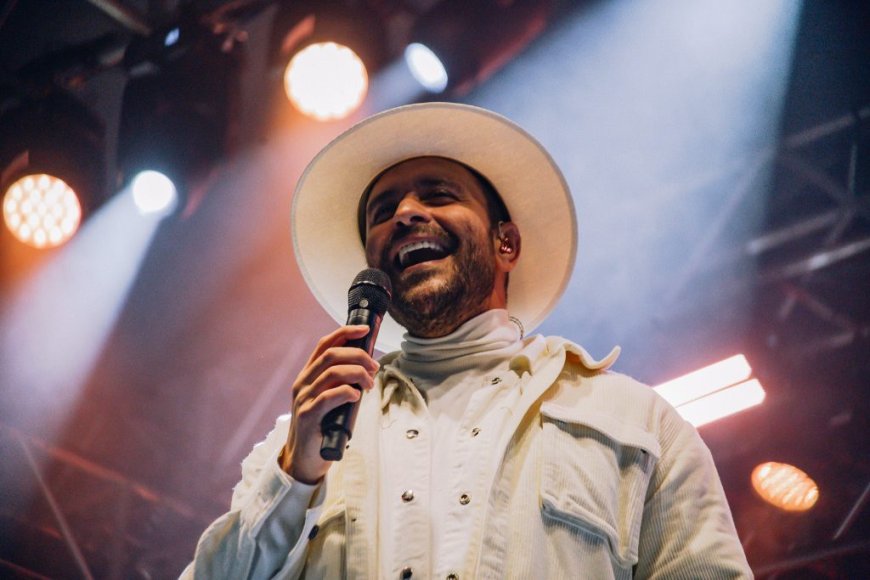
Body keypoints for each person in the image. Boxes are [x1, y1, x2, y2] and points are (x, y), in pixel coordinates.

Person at [182, 103, 752, 579]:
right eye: (384, 212)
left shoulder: (637, 423)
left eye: (436, 194)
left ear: (506, 244)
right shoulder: (301, 440)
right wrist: (296, 472)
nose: (406, 214)